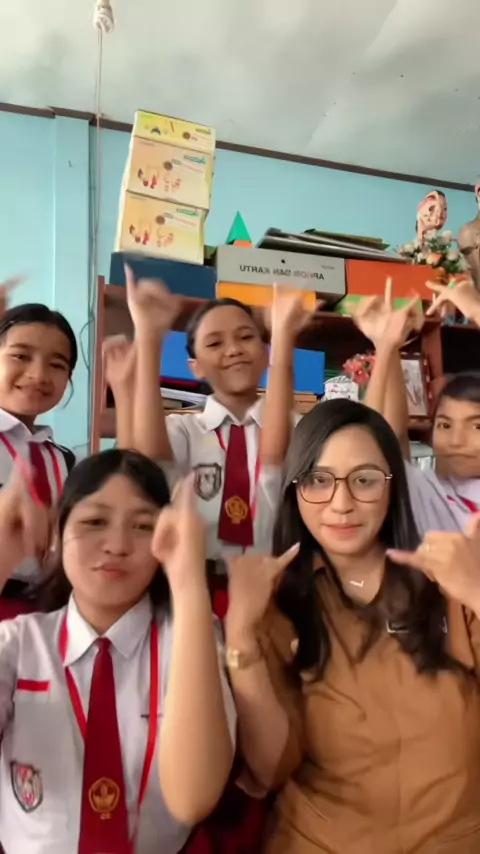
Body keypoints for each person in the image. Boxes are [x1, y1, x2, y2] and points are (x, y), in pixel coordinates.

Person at [225, 398, 480, 853]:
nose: (341, 504)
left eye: (364, 480)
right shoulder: (274, 605)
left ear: (392, 486)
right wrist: (240, 637)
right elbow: (270, 768)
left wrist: (477, 592)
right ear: (295, 489)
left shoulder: (448, 584)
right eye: (319, 480)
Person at [0, 448, 235, 854]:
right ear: (57, 534)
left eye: (143, 526)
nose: (117, 545)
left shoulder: (189, 637)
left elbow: (193, 799)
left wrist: (188, 582)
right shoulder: (20, 644)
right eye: (94, 522)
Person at [126, 268, 309, 597]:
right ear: (195, 367)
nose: (234, 349)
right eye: (214, 343)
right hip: (196, 585)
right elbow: (151, 458)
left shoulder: (297, 428)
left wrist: (284, 335)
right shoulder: (184, 429)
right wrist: (149, 336)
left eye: (246, 337)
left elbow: (277, 456)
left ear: (266, 352)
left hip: (279, 586)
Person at [357, 276, 480, 532]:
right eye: (445, 425)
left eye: (476, 426)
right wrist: (386, 345)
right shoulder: (422, 490)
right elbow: (382, 436)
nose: (456, 440)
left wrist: (475, 309)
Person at [0, 299, 78, 600]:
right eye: (21, 356)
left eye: (57, 364)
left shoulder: (64, 460)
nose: (39, 375)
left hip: (46, 608)